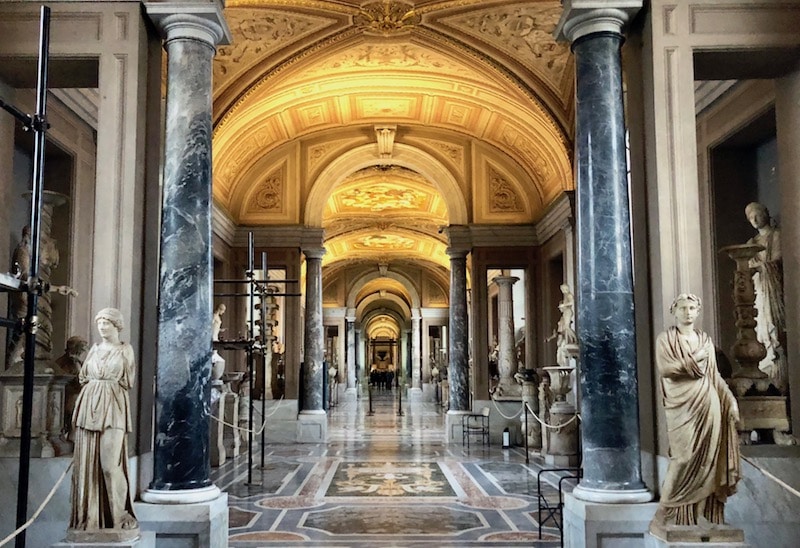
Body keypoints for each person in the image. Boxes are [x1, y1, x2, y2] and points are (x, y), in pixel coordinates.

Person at [650, 294, 740, 535]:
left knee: (709, 460)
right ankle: (666, 511)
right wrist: (691, 361)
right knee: (683, 458)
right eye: (683, 308)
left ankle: (700, 514)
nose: (688, 312)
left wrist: (730, 400)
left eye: (692, 308)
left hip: (707, 402)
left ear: (698, 311)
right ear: (674, 311)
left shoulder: (705, 341)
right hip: (682, 405)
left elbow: (715, 376)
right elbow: (665, 369)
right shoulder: (666, 339)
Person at [68, 308, 138, 539]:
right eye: (99, 323)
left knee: (109, 465)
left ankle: (119, 513)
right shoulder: (94, 351)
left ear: (117, 326)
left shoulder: (125, 350)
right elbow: (83, 378)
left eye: (106, 323)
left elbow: (128, 380)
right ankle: (93, 518)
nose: (102, 327)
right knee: (88, 465)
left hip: (115, 406)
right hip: (90, 405)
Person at [744, 201, 786, 392]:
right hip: (759, 291)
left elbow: (777, 260)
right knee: (761, 328)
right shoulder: (751, 244)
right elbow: (745, 268)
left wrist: (760, 266)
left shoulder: (776, 236)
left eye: (757, 214)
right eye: (750, 217)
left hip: (773, 290)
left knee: (774, 329)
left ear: (765, 213)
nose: (754, 220)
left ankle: (780, 378)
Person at [55, 335, 89, 435]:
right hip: (67, 397)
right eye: (81, 349)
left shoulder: (80, 363)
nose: (83, 352)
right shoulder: (62, 363)